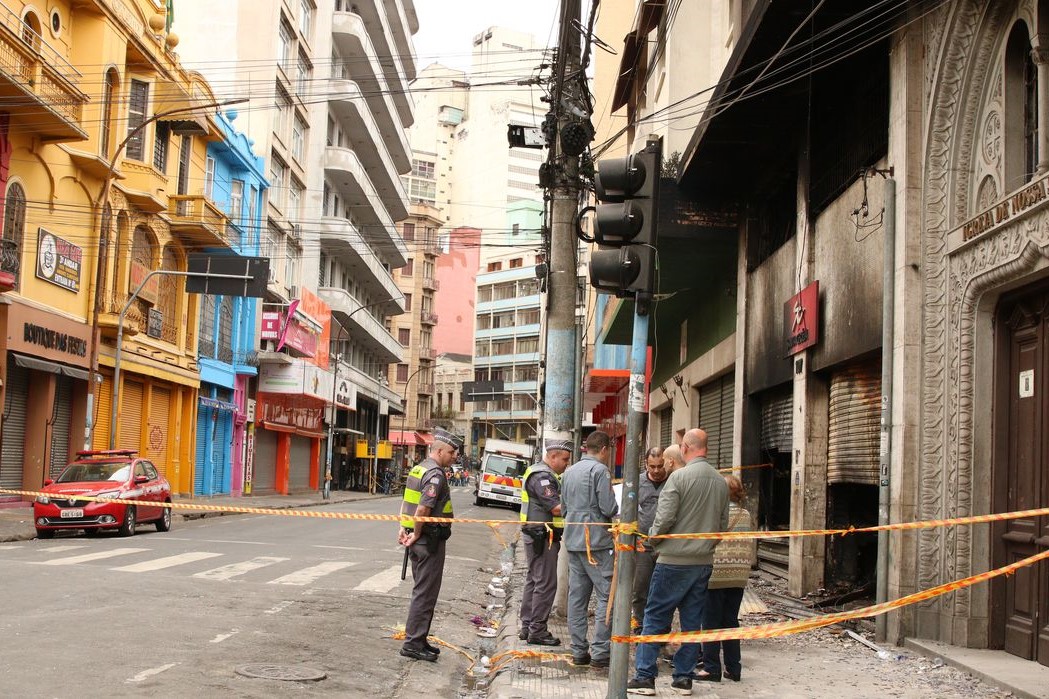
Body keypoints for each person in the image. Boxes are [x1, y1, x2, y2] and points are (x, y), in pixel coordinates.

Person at [627, 428, 729, 696]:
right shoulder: (720, 482)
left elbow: (663, 521)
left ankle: (645, 677)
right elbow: (722, 526)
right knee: (692, 622)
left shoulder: (678, 479)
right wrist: (705, 547)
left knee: (655, 616)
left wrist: (653, 542)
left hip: (673, 561)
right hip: (702, 563)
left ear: (685, 447)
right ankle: (683, 678)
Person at [398, 428, 463, 662]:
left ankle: (419, 638)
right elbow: (423, 508)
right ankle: (413, 643)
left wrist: (404, 528)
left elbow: (407, 502)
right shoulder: (435, 474)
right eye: (452, 451)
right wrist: (415, 533)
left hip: (418, 539)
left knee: (423, 591)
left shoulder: (418, 468)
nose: (455, 455)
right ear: (439, 450)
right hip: (428, 540)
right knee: (425, 593)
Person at [560, 430, 619, 669]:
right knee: (607, 596)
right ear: (604, 449)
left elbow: (563, 508)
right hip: (597, 544)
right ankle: (600, 652)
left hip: (574, 542)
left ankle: (578, 651)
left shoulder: (569, 471)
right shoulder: (600, 471)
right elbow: (608, 507)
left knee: (578, 597)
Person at [696, 475, 755, 683]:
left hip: (716, 573)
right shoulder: (745, 514)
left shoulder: (714, 513)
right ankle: (734, 668)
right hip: (738, 575)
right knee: (730, 620)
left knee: (711, 621)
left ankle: (711, 668)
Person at [518, 438, 572, 646]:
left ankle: (527, 625)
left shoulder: (538, 472)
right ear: (552, 456)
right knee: (546, 583)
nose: (567, 463)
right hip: (542, 535)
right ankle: (537, 630)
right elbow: (556, 508)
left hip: (538, 534)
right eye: (565, 459)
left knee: (534, 580)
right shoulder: (542, 477)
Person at [632, 446, 667, 630]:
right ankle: (639, 626)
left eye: (659, 466)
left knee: (663, 590)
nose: (656, 470)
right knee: (641, 588)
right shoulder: (637, 483)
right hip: (642, 544)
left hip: (666, 546)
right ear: (646, 463)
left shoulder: (673, 482)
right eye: (652, 466)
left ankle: (660, 628)